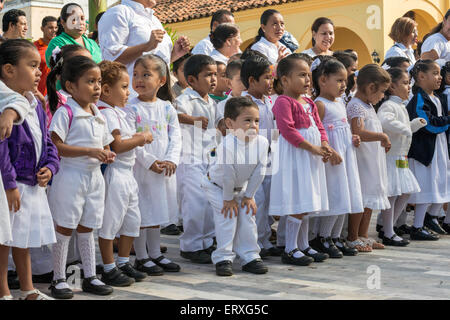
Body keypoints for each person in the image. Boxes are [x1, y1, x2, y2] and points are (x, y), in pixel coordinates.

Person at [47, 56, 116, 299]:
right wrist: (90, 151)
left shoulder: (99, 113)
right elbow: (58, 147)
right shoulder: (66, 113)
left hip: (94, 178)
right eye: (90, 81)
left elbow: (106, 143)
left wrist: (107, 154)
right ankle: (58, 278)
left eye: (98, 81)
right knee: (65, 227)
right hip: (71, 177)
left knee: (88, 226)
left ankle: (90, 275)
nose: (97, 87)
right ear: (70, 87)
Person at [0, 39, 59, 300]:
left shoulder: (34, 104)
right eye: (33, 65)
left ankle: (27, 288)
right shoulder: (4, 108)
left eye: (40, 66)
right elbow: (1, 149)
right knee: (3, 240)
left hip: (32, 184)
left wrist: (50, 166)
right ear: (9, 70)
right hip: (11, 185)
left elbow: (46, 142)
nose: (39, 72)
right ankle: (4, 291)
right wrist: (10, 185)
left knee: (22, 241)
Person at [269, 54, 334, 266]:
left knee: (307, 201)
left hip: (311, 157)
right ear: (285, 80)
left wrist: (324, 144)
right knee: (297, 200)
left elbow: (319, 126)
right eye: (301, 75)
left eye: (308, 75)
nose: (307, 80)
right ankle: (290, 248)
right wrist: (311, 147)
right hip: (296, 157)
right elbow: (287, 130)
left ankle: (304, 245)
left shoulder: (309, 102)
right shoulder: (283, 102)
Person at [97, 60, 152, 286]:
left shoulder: (118, 112)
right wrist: (141, 138)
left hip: (128, 173)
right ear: (107, 89)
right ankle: (109, 266)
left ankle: (123, 261)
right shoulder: (106, 113)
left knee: (132, 219)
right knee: (111, 220)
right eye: (124, 87)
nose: (128, 92)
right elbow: (117, 145)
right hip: (115, 172)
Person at [126, 54, 182, 275]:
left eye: (146, 74)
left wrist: (171, 159)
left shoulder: (167, 108)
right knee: (142, 212)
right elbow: (131, 139)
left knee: (157, 212)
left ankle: (155, 253)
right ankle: (141, 256)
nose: (139, 79)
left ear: (161, 80)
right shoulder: (131, 108)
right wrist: (149, 162)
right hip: (141, 169)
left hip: (163, 169)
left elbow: (175, 136)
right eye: (136, 74)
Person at [203, 96, 269, 276]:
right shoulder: (227, 146)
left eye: (256, 120)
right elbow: (227, 176)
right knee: (228, 218)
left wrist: (248, 196)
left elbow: (259, 172)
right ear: (230, 124)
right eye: (247, 120)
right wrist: (228, 199)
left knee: (248, 216)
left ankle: (250, 256)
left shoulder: (262, 143)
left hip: (242, 187)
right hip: (217, 186)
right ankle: (223, 257)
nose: (253, 125)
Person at [310, 56, 363, 257]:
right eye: (339, 80)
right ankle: (322, 236)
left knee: (346, 194)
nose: (344, 85)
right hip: (332, 159)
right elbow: (317, 132)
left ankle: (335, 236)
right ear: (323, 80)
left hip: (346, 156)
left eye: (345, 80)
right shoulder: (320, 104)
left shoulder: (340, 102)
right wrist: (328, 150)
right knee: (334, 194)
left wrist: (353, 137)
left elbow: (344, 129)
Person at [175, 54, 220, 264]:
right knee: (195, 202)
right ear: (191, 80)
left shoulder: (212, 102)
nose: (213, 79)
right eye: (208, 75)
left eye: (215, 75)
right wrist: (192, 119)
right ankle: (191, 245)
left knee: (210, 201)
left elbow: (219, 124)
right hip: (190, 158)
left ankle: (207, 241)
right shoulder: (185, 98)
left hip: (208, 158)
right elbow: (174, 115)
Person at [98, 0, 190, 95]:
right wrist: (146, 46)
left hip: (160, 97)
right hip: (131, 98)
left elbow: (153, 61)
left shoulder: (154, 19)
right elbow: (110, 60)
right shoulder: (118, 12)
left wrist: (174, 54)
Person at [239, 56, 283, 258]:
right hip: (251, 160)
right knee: (256, 200)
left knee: (267, 201)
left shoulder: (271, 101)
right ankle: (252, 242)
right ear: (251, 80)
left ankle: (265, 239)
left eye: (272, 77)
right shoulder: (243, 103)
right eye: (266, 77)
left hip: (270, 158)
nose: (270, 82)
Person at [377, 67, 426, 246]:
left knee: (405, 192)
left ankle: (387, 226)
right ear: (392, 87)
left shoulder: (401, 106)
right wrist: (406, 128)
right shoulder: (389, 105)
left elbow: (402, 127)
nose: (408, 87)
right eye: (405, 83)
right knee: (392, 194)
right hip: (392, 158)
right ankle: (388, 231)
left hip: (401, 158)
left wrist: (413, 125)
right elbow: (384, 120)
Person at [346, 64, 391, 252]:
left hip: (373, 159)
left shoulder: (368, 105)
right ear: (371, 87)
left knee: (371, 197)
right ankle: (352, 236)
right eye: (381, 92)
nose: (382, 96)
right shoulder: (356, 105)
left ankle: (364, 235)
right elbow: (359, 131)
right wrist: (381, 137)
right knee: (362, 197)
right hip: (363, 159)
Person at [407, 59, 450, 240]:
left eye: (440, 73)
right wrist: (448, 120)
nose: (439, 77)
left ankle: (430, 217)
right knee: (425, 186)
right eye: (435, 73)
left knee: (440, 183)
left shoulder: (437, 98)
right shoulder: (418, 99)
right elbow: (427, 124)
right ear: (421, 76)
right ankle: (417, 225)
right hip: (425, 151)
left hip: (438, 148)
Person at [45, 3, 102, 68]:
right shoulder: (56, 44)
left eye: (82, 18)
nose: (80, 23)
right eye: (74, 19)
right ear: (63, 22)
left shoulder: (92, 43)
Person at [46, 44, 92, 123]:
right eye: (84, 66)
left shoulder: (91, 100)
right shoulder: (56, 102)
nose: (92, 69)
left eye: (91, 64)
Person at [34, 16, 58, 96]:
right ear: (42, 28)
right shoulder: (34, 48)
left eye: (56, 27)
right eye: (50, 27)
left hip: (58, 95)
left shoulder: (60, 46)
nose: (54, 30)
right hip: (40, 95)